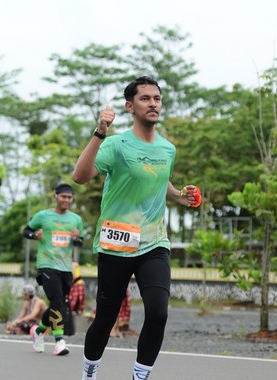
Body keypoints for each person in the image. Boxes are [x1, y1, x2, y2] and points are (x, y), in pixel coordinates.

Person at [72, 75, 201, 380]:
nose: (153, 104)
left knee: (158, 312)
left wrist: (178, 195)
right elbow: (80, 176)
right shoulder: (115, 144)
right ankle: (89, 373)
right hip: (117, 242)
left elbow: (158, 180)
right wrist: (100, 133)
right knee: (106, 317)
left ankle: (139, 377)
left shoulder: (167, 149)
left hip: (154, 242)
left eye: (157, 98)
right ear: (130, 106)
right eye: (145, 98)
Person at [22, 183, 84, 356]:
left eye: (69, 197)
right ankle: (59, 342)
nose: (66, 200)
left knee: (58, 304)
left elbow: (80, 242)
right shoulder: (43, 216)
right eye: (63, 196)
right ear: (55, 197)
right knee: (57, 301)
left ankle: (39, 331)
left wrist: (77, 239)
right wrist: (34, 235)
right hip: (46, 265)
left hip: (66, 268)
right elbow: (26, 231)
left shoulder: (76, 219)